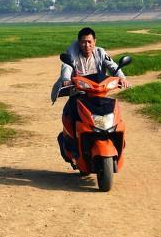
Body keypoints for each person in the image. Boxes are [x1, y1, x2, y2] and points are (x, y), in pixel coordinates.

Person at [51, 27, 127, 166]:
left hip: (98, 93)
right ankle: (72, 145)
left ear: (94, 41)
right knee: (72, 112)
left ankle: (117, 140)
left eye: (89, 42)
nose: (87, 45)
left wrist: (121, 77)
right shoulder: (72, 54)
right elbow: (66, 68)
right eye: (83, 42)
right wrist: (66, 79)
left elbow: (113, 66)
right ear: (79, 43)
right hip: (78, 93)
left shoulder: (100, 53)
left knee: (113, 111)